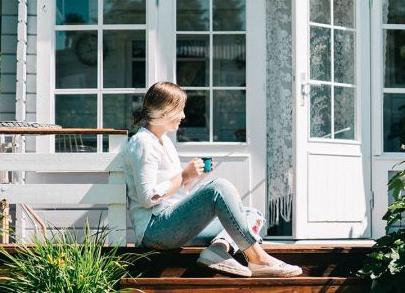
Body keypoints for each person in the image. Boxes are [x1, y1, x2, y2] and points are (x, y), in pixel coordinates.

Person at [123, 81, 302, 278]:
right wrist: (184, 175)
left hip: (171, 225)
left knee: (252, 214)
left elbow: (171, 193)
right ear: (164, 111)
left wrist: (189, 178)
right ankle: (258, 258)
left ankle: (218, 248)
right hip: (155, 230)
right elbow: (147, 198)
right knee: (219, 188)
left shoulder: (163, 141)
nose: (183, 116)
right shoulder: (143, 143)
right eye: (180, 110)